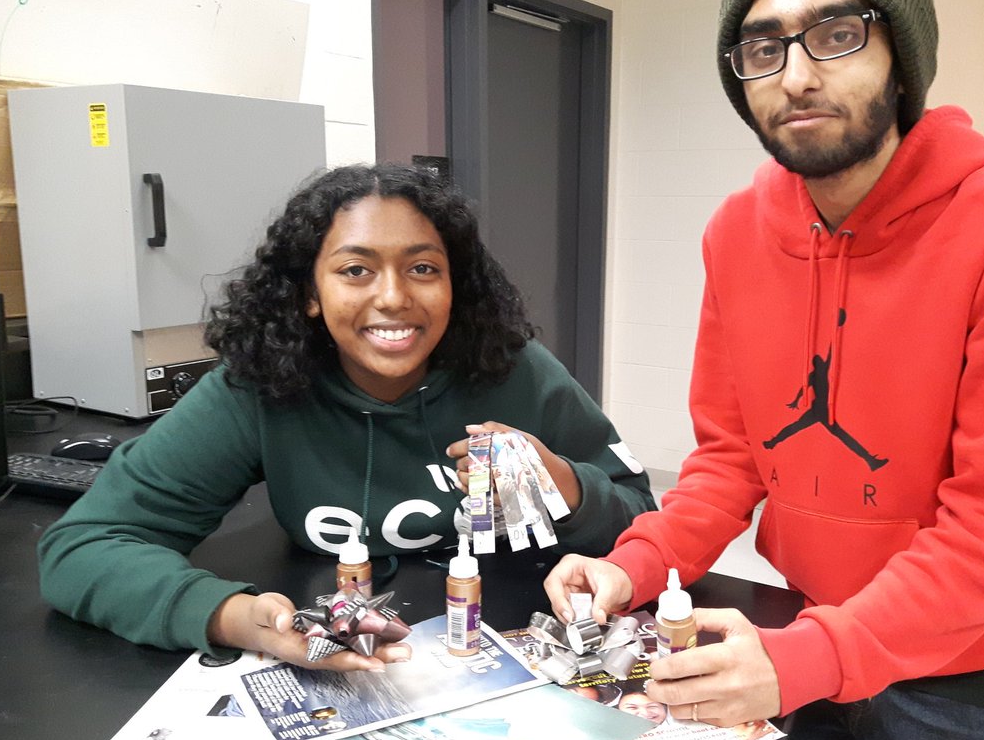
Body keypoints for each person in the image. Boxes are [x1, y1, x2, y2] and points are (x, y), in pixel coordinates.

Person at [543, 0, 984, 740]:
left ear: (901, 54)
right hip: (812, 626)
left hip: (968, 669)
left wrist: (805, 660)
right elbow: (731, 459)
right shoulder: (736, 233)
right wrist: (631, 565)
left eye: (836, 35)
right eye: (762, 49)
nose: (796, 76)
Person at [38, 162, 655, 672]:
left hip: (508, 655)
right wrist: (239, 619)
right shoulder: (259, 387)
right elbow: (83, 546)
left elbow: (645, 521)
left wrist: (565, 487)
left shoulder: (517, 373)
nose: (393, 296)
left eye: (423, 269)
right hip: (340, 666)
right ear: (309, 292)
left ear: (454, 287)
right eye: (355, 270)